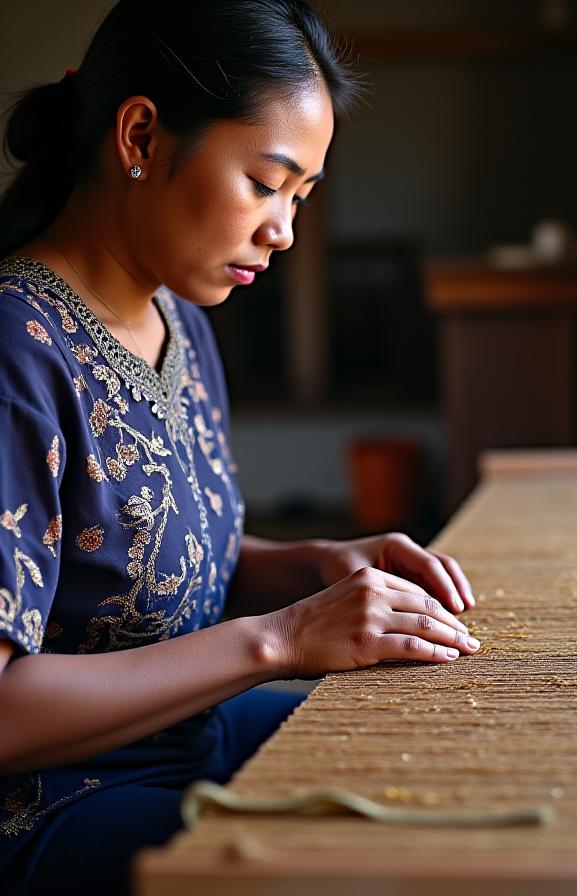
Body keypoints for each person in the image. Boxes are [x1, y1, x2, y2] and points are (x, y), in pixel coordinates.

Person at [0, 2, 481, 893]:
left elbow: (135, 569)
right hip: (54, 801)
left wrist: (316, 570)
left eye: (300, 197)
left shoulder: (177, 314)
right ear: (140, 134)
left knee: (442, 759)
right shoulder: (16, 349)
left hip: (191, 741)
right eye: (265, 183)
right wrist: (284, 638)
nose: (283, 231)